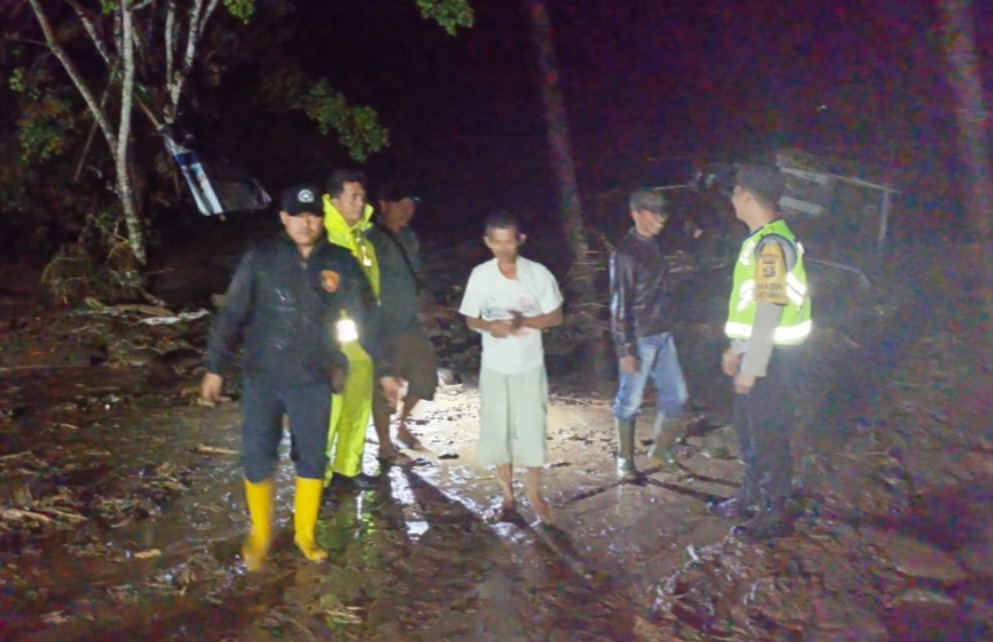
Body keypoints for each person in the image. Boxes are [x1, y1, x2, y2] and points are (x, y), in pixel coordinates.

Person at [200, 185, 375, 570]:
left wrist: (383, 366)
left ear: (321, 218)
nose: (306, 222)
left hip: (314, 375)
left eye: (313, 214)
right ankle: (261, 534)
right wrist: (215, 365)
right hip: (263, 374)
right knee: (257, 454)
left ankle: (304, 535)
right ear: (284, 218)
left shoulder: (340, 261)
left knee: (312, 458)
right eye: (297, 214)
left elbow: (365, 315)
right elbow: (232, 313)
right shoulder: (261, 258)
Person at [707, 164, 811, 540]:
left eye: (735, 192)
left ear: (747, 196)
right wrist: (737, 348)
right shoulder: (764, 239)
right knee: (748, 429)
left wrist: (752, 364)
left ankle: (774, 512)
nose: (732, 199)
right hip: (761, 353)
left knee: (769, 433)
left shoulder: (770, 245)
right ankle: (750, 497)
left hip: (773, 358)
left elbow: (769, 308)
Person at [458, 212, 564, 523]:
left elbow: (555, 317)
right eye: (497, 242)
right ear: (488, 242)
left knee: (532, 429)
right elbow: (470, 318)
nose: (504, 248)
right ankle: (507, 495)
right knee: (497, 432)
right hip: (494, 367)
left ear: (521, 240)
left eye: (510, 241)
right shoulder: (481, 275)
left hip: (529, 365)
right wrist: (490, 326)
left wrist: (523, 322)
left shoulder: (538, 274)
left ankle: (533, 493)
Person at [321, 169, 394, 490]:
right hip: (332, 341)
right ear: (334, 200)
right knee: (329, 411)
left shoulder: (363, 238)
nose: (359, 202)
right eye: (352, 197)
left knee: (358, 405)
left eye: (361, 196)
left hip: (363, 337)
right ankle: (317, 480)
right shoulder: (323, 235)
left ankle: (347, 469)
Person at [609, 189, 689, 481]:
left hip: (663, 333)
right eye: (654, 214)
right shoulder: (625, 253)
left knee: (677, 396)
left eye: (662, 214)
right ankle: (624, 460)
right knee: (629, 400)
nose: (660, 220)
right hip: (640, 336)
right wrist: (625, 349)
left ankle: (662, 450)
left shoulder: (655, 245)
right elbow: (619, 304)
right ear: (637, 214)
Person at [366, 180, 438, 463]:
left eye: (411, 205)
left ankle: (402, 426)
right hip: (383, 326)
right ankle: (385, 446)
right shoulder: (370, 239)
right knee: (385, 387)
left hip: (410, 322)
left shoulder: (409, 238)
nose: (406, 210)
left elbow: (415, 277)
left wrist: (427, 309)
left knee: (425, 377)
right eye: (400, 204)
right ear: (383, 205)